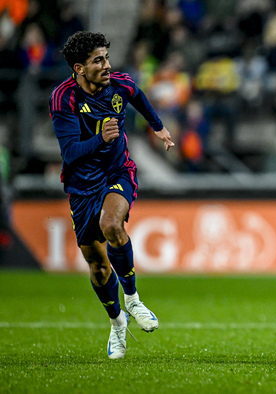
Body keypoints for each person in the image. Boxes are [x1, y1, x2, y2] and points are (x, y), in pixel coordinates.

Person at [49, 31, 175, 359]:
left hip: (118, 173)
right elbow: (70, 152)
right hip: (81, 186)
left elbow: (139, 97)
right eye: (98, 61)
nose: (107, 65)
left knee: (112, 224)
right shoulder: (63, 98)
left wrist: (157, 125)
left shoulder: (120, 82)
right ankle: (117, 323)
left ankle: (133, 300)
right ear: (79, 68)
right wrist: (101, 139)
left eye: (106, 57)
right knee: (98, 265)